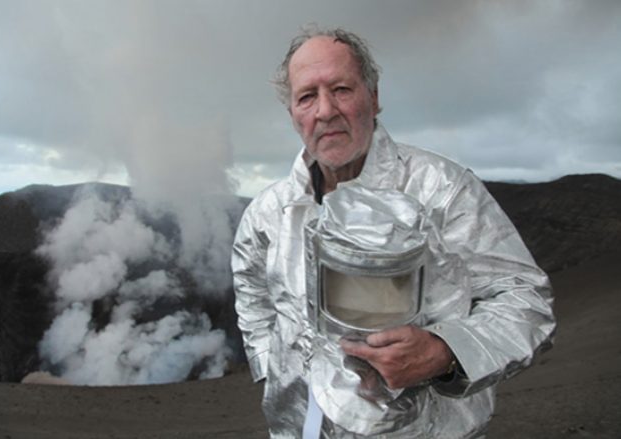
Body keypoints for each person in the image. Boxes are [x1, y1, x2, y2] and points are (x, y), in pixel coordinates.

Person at [231, 26, 555, 438]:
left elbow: (527, 301)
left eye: (342, 89)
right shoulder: (268, 213)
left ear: (374, 97)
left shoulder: (442, 189)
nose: (325, 110)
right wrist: (270, 369)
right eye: (307, 96)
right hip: (302, 428)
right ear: (293, 113)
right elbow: (253, 299)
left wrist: (445, 352)